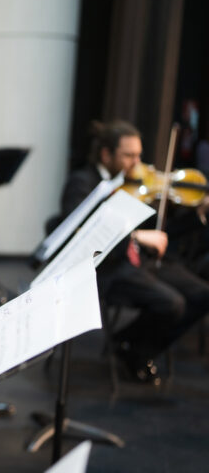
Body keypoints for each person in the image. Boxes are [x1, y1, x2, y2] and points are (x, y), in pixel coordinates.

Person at [60, 119, 209, 384]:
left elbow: (163, 234)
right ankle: (133, 351)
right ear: (106, 154)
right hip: (107, 268)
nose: (137, 163)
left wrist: (195, 211)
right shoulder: (82, 182)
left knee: (202, 295)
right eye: (128, 155)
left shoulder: (138, 184)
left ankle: (130, 345)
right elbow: (82, 234)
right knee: (172, 303)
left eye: (139, 155)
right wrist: (137, 235)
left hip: (139, 261)